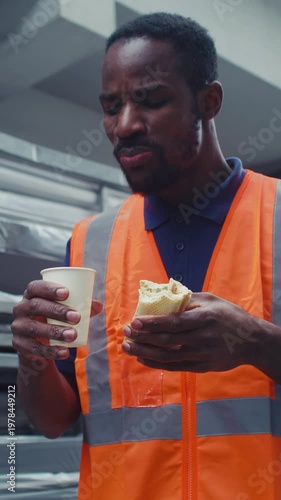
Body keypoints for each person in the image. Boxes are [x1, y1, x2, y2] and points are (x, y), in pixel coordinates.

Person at [11, 12, 281, 500]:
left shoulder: (278, 217)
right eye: (111, 106)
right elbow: (54, 421)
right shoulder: (89, 241)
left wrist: (257, 344)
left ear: (209, 101)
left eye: (151, 100)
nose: (125, 124)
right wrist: (33, 358)